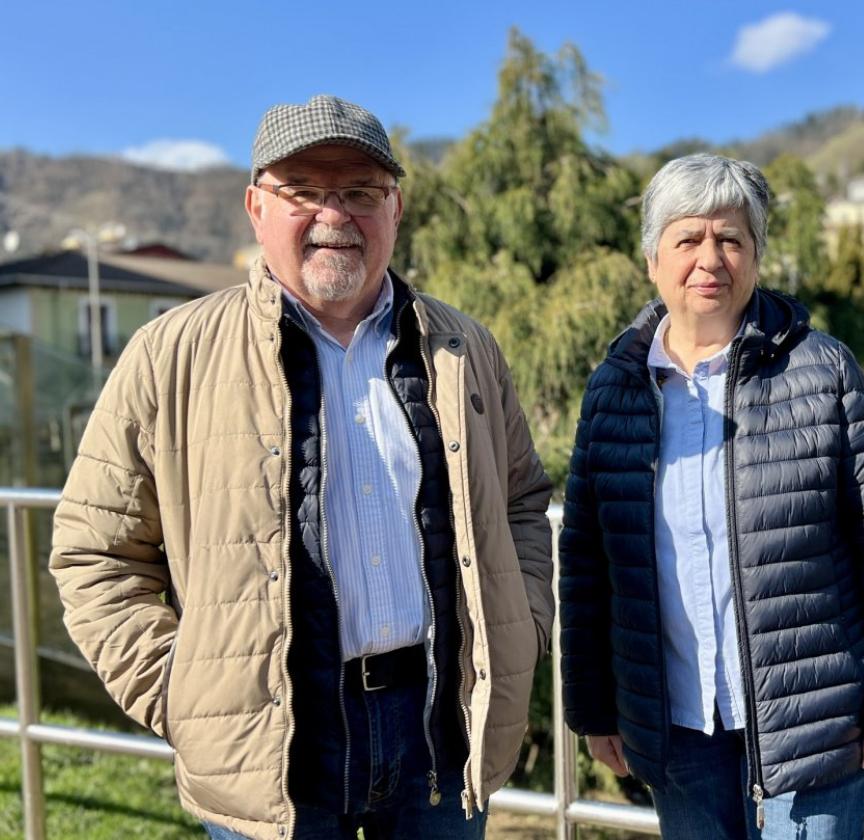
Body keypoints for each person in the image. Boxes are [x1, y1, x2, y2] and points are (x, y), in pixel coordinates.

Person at [50, 95, 553, 840]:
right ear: (256, 206)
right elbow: (94, 553)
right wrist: (185, 692)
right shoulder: (172, 354)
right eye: (303, 192)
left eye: (359, 193)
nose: (334, 214)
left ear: (395, 208)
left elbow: (521, 503)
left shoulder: (462, 348)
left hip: (436, 733)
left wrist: (522, 628)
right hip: (268, 748)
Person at [558, 154, 864, 840]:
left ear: (757, 257)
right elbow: (587, 562)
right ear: (652, 260)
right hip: (676, 724)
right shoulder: (613, 389)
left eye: (731, 239)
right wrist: (594, 709)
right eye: (688, 239)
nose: (711, 258)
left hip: (814, 725)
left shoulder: (820, 368)